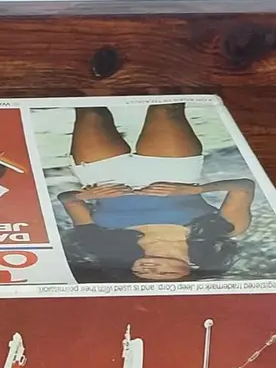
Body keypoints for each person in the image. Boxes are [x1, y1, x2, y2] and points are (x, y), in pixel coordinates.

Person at [57, 104, 255, 281]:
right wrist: (195, 189)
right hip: (173, 172)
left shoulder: (102, 244)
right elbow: (244, 187)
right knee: (164, 108)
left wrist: (86, 196)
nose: (150, 270)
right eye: (165, 274)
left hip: (101, 176)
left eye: (141, 274)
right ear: (191, 271)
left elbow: (67, 200)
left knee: (90, 111)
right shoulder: (220, 231)